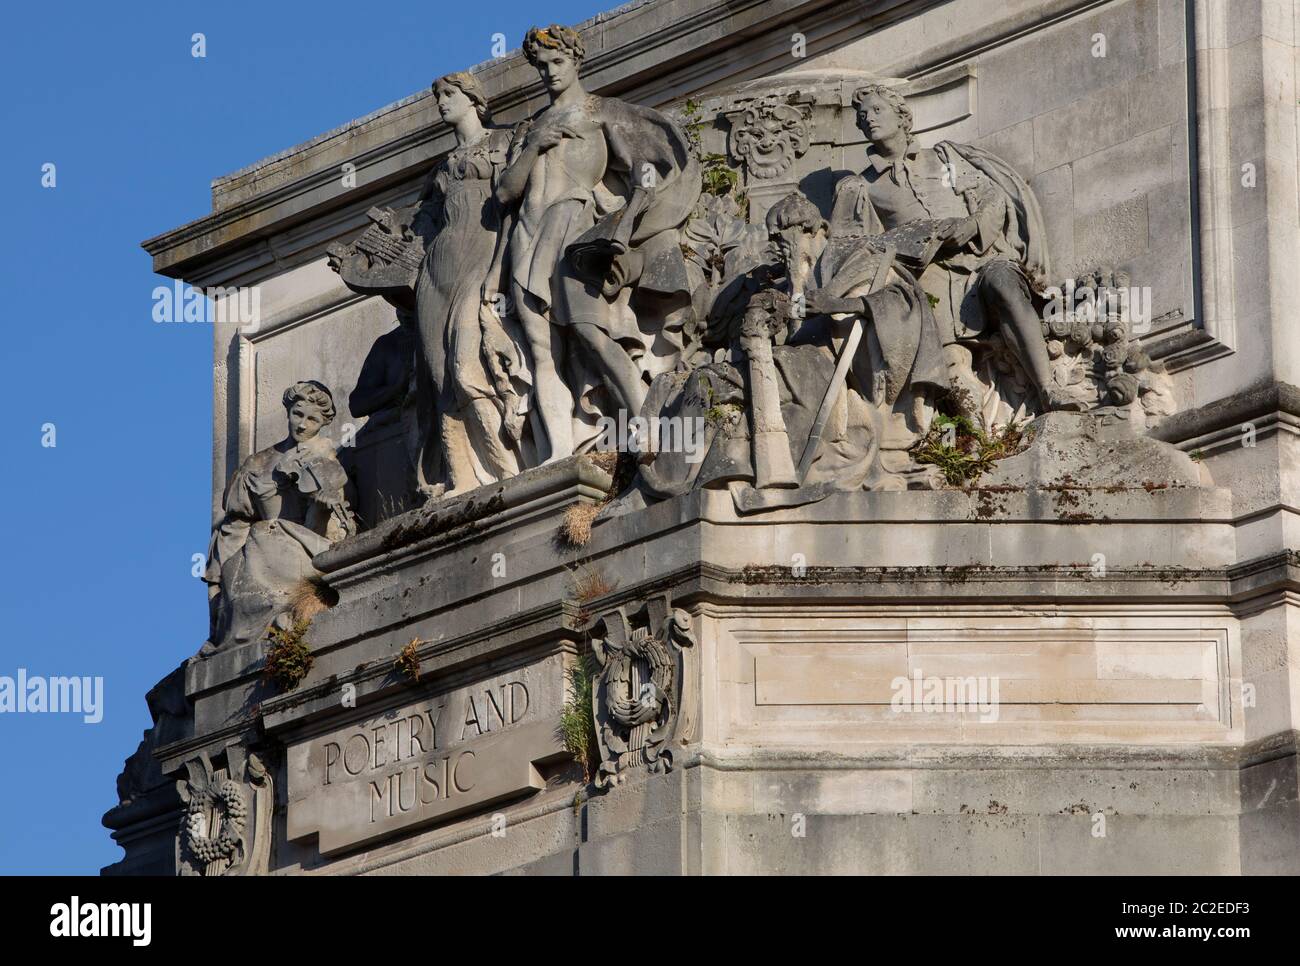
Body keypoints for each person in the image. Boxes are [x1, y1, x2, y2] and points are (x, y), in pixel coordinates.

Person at [493, 24, 699, 461]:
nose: (549, 72)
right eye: (542, 66)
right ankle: (559, 451)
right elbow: (506, 193)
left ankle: (646, 424)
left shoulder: (599, 112)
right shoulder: (529, 130)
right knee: (541, 350)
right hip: (528, 237)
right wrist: (532, 146)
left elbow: (646, 168)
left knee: (590, 331)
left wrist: (624, 222)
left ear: (575, 61)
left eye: (557, 62)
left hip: (573, 232)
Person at [818, 84, 1081, 411]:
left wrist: (971, 225)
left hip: (980, 259)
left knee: (1005, 283)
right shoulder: (863, 186)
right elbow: (857, 250)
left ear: (902, 117)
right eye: (862, 116)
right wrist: (911, 241)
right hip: (929, 276)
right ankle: (966, 433)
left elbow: (990, 197)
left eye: (876, 111)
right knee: (945, 357)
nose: (868, 119)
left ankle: (1047, 388)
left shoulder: (942, 158)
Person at [414, 71, 527, 494]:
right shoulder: (440, 169)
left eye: (449, 93)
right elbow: (422, 227)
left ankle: (505, 468)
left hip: (483, 257)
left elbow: (517, 209)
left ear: (473, 98)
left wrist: (502, 267)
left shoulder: (503, 144)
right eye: (438, 95)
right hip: (437, 269)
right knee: (440, 377)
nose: (442, 102)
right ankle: (460, 479)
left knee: (465, 363)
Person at [203, 381, 354, 650]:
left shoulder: (326, 460)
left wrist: (319, 508)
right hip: (261, 547)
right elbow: (237, 523)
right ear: (288, 411)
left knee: (264, 535)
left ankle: (279, 619)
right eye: (298, 414)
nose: (302, 425)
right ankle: (234, 635)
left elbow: (331, 536)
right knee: (236, 560)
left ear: (323, 423)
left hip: (304, 549)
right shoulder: (258, 462)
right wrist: (221, 572)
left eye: (312, 420)